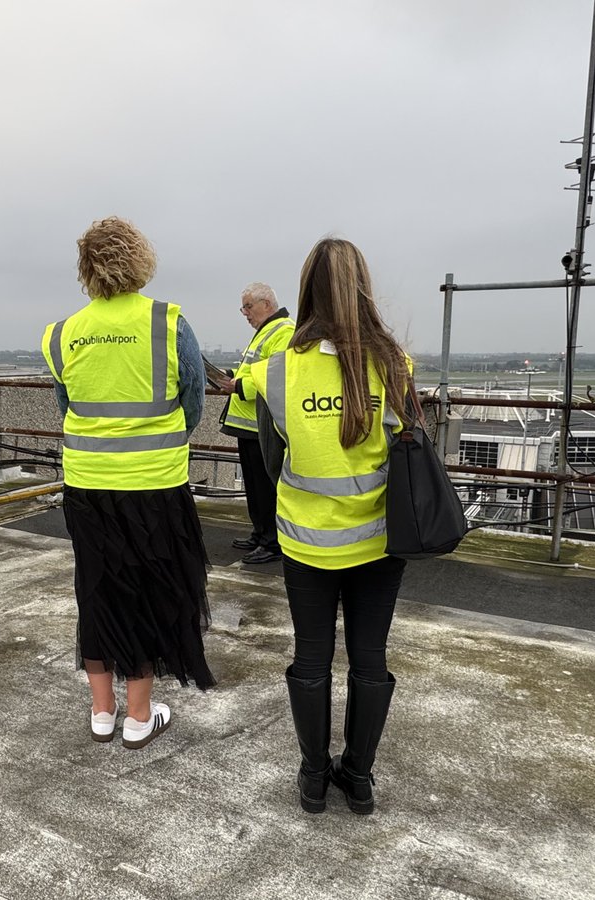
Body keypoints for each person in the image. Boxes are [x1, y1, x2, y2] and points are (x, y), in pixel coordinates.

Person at [249, 237, 410, 815]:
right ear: (363, 287)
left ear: (306, 290)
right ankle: (359, 778)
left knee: (311, 657)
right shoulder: (394, 365)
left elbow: (270, 459)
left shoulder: (276, 371)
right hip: (379, 542)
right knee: (370, 657)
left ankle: (314, 777)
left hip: (305, 542)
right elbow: (407, 452)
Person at [41, 216, 214, 750]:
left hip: (88, 487)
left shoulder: (62, 332)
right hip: (155, 486)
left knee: (96, 589)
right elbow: (194, 400)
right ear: (140, 260)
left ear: (85, 269)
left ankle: (101, 710)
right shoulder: (167, 321)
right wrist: (162, 441)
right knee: (151, 592)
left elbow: (67, 406)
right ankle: (139, 717)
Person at [214, 283, 294, 565]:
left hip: (263, 427)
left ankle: (273, 542)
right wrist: (229, 376)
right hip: (249, 426)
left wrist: (240, 386)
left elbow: (279, 378)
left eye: (248, 306)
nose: (245, 313)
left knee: (265, 486)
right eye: (243, 307)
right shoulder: (266, 331)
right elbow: (254, 371)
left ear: (267, 304)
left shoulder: (283, 331)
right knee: (254, 485)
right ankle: (261, 533)